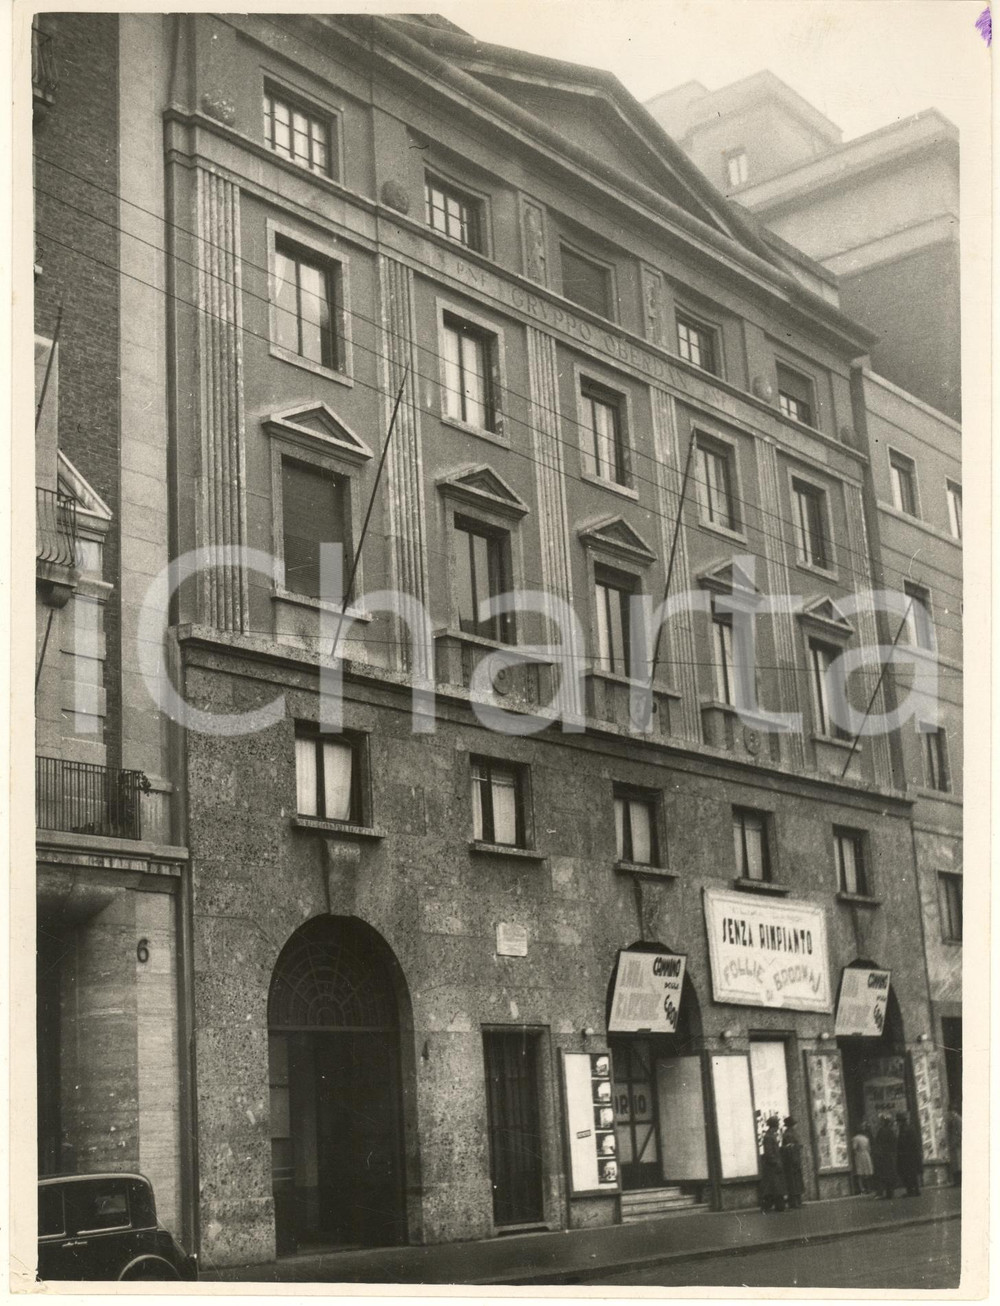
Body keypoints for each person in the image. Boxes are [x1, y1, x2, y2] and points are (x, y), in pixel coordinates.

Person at [760, 1116, 786, 1212]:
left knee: (775, 1187)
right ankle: (772, 1206)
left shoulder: (771, 1136)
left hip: (774, 1166)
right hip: (772, 1167)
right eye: (777, 1125)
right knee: (774, 1187)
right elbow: (769, 1152)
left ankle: (776, 1206)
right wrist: (775, 1162)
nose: (778, 1127)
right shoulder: (768, 1137)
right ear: (773, 1126)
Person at [896, 1111, 923, 1196]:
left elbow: (903, 1143)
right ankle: (915, 1190)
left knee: (907, 1174)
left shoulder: (904, 1129)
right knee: (912, 1174)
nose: (897, 1123)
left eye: (898, 1121)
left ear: (901, 1121)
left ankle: (910, 1191)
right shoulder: (910, 1128)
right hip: (912, 1155)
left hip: (906, 1155)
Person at [872, 1113, 899, 1199]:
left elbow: (878, 1143)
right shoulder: (891, 1131)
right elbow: (894, 1143)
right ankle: (890, 1193)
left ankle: (880, 1193)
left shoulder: (881, 1131)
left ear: (883, 1122)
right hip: (889, 1156)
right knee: (889, 1174)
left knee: (881, 1174)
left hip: (883, 1156)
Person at [781, 1116, 805, 1209]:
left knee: (796, 1182)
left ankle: (797, 1201)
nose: (795, 1126)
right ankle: (794, 1202)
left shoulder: (790, 1133)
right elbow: (790, 1147)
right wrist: (797, 1146)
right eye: (794, 1124)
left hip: (794, 1160)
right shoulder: (789, 1134)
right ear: (791, 1125)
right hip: (792, 1161)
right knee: (793, 1182)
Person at [851, 1127, 874, 1195]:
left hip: (859, 1155)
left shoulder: (855, 1138)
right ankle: (868, 1188)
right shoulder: (866, 1138)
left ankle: (862, 1189)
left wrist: (855, 1154)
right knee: (867, 1172)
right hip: (866, 1155)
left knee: (860, 1173)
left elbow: (854, 1148)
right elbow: (869, 1149)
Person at [947, 1107, 962, 1188]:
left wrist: (958, 1142)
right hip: (953, 1145)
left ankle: (959, 1181)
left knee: (958, 1164)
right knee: (955, 1164)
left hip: (957, 1146)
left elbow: (960, 1133)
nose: (949, 1114)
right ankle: (956, 1181)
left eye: (950, 1112)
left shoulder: (958, 1120)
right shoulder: (952, 1120)